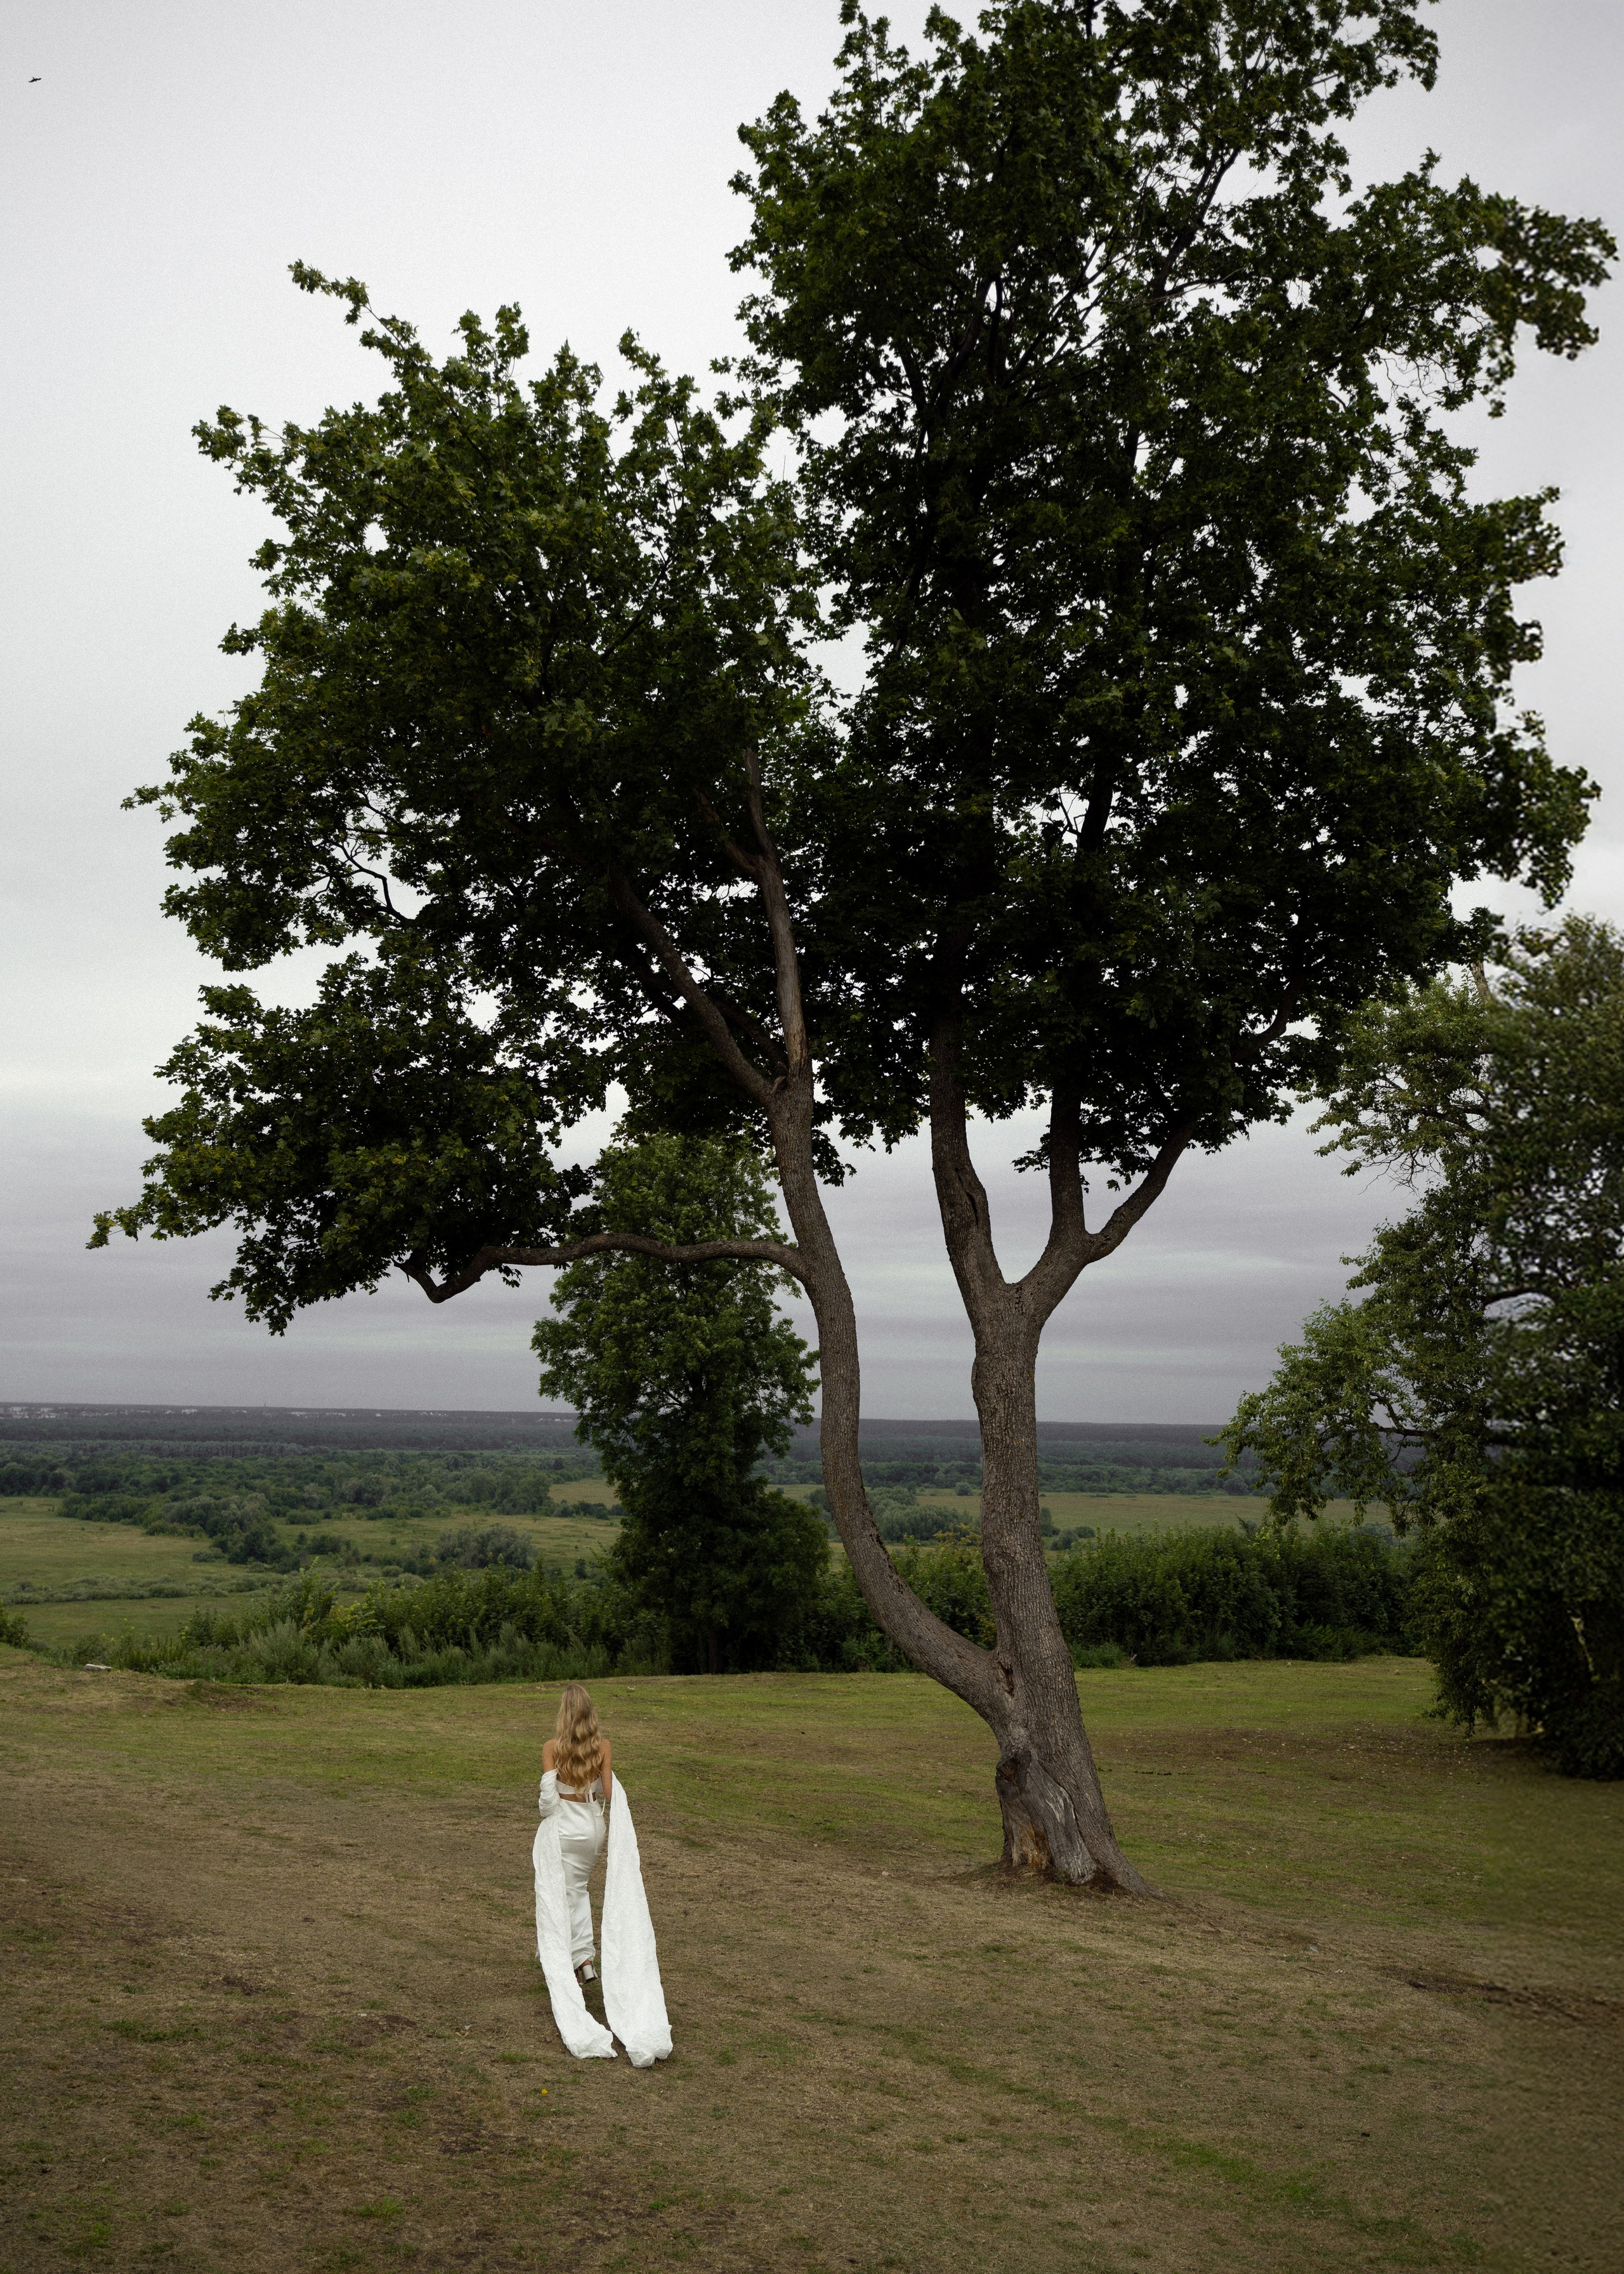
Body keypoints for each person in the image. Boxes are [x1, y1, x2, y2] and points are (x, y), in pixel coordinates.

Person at [540, 1681, 612, 1983]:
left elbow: (548, 1802)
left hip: (565, 1830)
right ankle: (580, 1958)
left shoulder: (552, 1748)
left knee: (563, 1892)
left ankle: (578, 1956)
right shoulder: (603, 1747)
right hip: (592, 1829)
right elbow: (609, 1793)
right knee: (577, 1889)